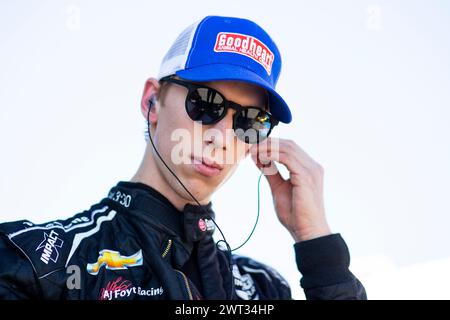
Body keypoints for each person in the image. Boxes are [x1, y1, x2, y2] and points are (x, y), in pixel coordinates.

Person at [0, 15, 366, 300]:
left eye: (249, 121)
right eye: (205, 103)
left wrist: (317, 243)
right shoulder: (39, 260)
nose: (222, 137)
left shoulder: (265, 287)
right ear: (152, 101)